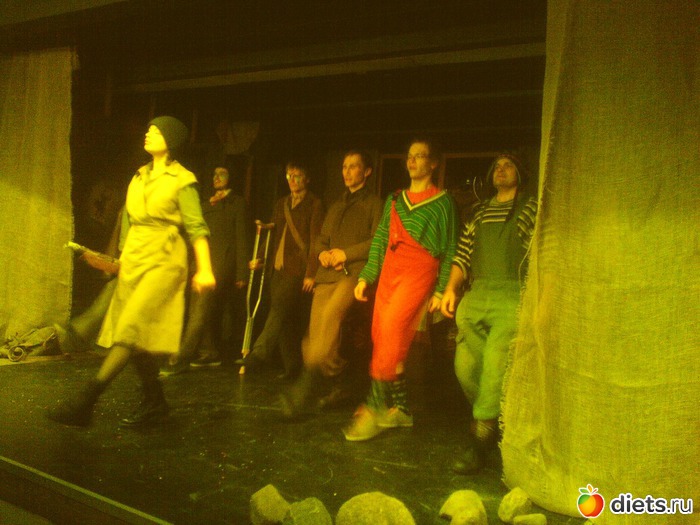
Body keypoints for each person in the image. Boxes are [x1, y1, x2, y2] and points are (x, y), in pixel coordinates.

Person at [48, 116, 216, 427]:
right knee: (138, 336)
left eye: (156, 130)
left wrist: (205, 268)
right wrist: (117, 262)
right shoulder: (138, 176)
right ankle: (155, 402)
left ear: (171, 139)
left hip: (163, 261)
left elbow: (197, 227)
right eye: (148, 128)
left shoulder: (182, 180)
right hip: (136, 259)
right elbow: (130, 224)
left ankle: (85, 402)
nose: (148, 133)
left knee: (129, 330)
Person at [343, 138, 458, 441]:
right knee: (383, 335)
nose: (412, 161)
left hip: (419, 270)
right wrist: (366, 277)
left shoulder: (443, 202)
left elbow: (449, 248)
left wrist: (440, 290)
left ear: (433, 163)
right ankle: (402, 410)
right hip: (391, 271)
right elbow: (381, 239)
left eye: (420, 156)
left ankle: (374, 407)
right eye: (410, 156)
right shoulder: (395, 199)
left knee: (392, 331)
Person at [440, 152, 538, 474]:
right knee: (465, 366)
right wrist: (451, 288)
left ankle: (479, 439)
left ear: (520, 173)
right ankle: (496, 420)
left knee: (496, 363)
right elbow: (463, 255)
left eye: (508, 165)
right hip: (477, 293)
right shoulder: (478, 211)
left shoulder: (530, 208)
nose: (501, 169)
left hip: (511, 292)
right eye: (496, 166)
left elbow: (540, 254)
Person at [280, 150, 383, 418]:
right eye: (344, 166)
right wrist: (323, 253)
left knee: (329, 318)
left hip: (353, 274)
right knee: (316, 338)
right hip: (327, 276)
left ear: (366, 171)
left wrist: (345, 254)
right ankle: (343, 383)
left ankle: (303, 392)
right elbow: (321, 239)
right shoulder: (336, 205)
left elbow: (378, 241)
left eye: (354, 166)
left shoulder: (375, 204)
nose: (347, 171)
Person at [162, 166, 249, 374]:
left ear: (231, 177)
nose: (217, 177)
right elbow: (194, 232)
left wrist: (241, 273)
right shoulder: (205, 204)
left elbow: (242, 237)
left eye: (222, 174)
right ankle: (208, 352)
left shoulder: (236, 203)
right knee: (199, 309)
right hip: (201, 263)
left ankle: (181, 357)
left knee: (200, 309)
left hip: (221, 264)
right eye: (214, 174)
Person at [243, 162, 324, 378]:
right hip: (277, 267)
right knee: (283, 317)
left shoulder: (315, 204)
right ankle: (292, 365)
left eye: (297, 176)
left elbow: (316, 240)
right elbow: (273, 233)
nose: (292, 180)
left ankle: (259, 354)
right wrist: (260, 257)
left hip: (297, 267)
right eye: (289, 176)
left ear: (307, 179)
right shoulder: (282, 203)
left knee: (278, 309)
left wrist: (311, 273)